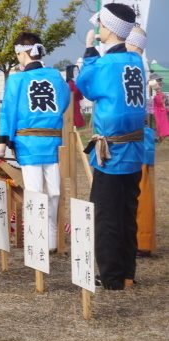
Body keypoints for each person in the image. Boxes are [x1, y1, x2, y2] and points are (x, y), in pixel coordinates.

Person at [76, 3, 146, 290]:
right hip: (133, 150)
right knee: (127, 213)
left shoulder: (106, 63)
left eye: (101, 25)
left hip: (112, 152)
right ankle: (126, 274)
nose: (97, 29)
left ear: (108, 28)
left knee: (106, 216)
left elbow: (85, 86)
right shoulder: (134, 62)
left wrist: (89, 51)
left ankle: (113, 277)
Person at [0, 32, 70, 253]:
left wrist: (1, 147)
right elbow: (64, 101)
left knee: (35, 191)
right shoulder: (56, 76)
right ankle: (52, 237)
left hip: (28, 143)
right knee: (54, 190)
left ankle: (40, 238)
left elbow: (7, 113)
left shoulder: (17, 79)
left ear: (21, 52)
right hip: (53, 140)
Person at [126, 27, 156, 258]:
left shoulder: (133, 63)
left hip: (136, 137)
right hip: (136, 136)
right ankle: (139, 239)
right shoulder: (136, 63)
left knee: (141, 192)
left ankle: (142, 241)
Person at [150, 74, 169, 141]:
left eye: (160, 80)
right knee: (159, 123)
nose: (160, 82)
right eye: (158, 80)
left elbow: (163, 101)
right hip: (158, 110)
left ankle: (161, 134)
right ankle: (159, 135)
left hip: (162, 110)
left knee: (163, 124)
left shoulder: (159, 91)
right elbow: (157, 101)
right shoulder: (153, 91)